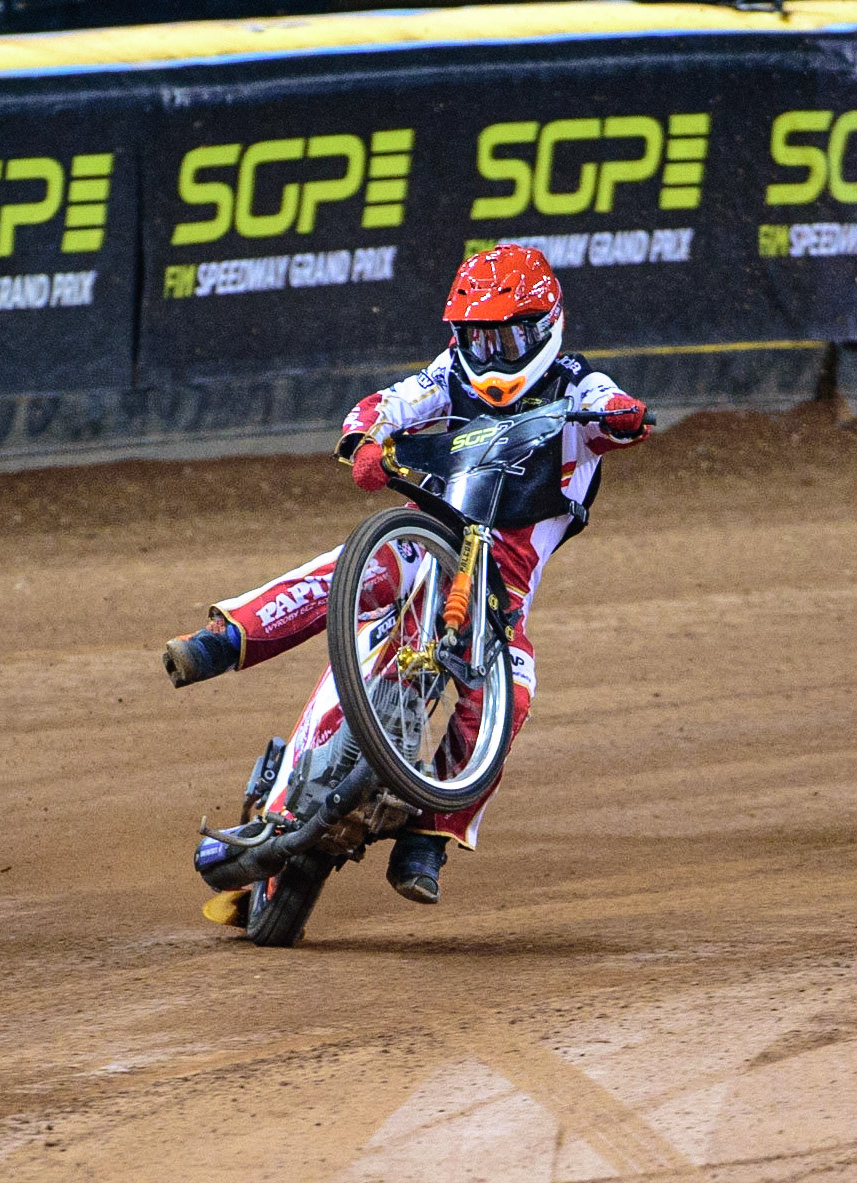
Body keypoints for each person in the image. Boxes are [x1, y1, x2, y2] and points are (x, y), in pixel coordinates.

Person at [162, 244, 649, 901]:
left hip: (500, 583)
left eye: (506, 339)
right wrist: (364, 440)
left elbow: (612, 404)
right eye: (477, 338)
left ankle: (427, 839)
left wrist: (624, 416)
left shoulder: (577, 385)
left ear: (543, 330)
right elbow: (389, 403)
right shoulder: (447, 374)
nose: (491, 354)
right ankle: (223, 640)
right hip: (431, 531)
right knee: (368, 566)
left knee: (514, 690)